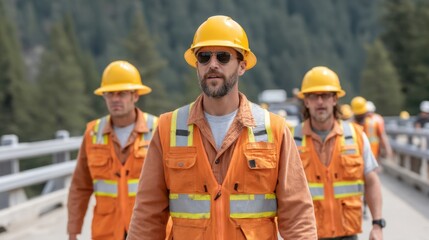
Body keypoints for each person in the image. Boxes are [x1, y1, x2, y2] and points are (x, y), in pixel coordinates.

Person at [127, 15, 317, 239]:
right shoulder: (167, 128)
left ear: (242, 66)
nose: (213, 64)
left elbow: (297, 215)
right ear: (197, 65)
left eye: (223, 57)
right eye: (204, 57)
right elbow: (147, 215)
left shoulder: (274, 130)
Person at [67, 60, 158, 240]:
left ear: (136, 95)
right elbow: (80, 186)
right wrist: (73, 230)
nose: (115, 99)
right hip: (107, 231)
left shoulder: (157, 129)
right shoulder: (93, 133)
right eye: (110, 94)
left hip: (148, 229)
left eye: (122, 93)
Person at [293, 66, 385, 240]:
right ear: (306, 101)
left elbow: (372, 181)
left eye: (326, 95)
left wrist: (377, 225)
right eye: (314, 96)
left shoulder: (357, 135)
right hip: (307, 234)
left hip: (347, 234)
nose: (320, 102)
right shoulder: (291, 139)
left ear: (335, 99)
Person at [351, 96, 393, 161]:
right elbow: (382, 136)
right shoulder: (376, 120)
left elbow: (382, 136)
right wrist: (387, 150)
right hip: (372, 153)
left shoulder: (352, 123)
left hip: (361, 154)